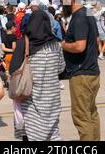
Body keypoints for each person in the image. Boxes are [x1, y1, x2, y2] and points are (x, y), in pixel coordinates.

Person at [14, 9, 66, 141]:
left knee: (33, 133)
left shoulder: (26, 44)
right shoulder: (57, 45)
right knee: (53, 133)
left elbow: (13, 68)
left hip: (32, 99)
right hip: (52, 100)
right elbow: (61, 68)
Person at [62, 0, 101, 141]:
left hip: (81, 75)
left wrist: (63, 45)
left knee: (81, 116)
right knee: (91, 113)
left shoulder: (78, 17)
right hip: (92, 72)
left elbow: (79, 46)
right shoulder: (89, 14)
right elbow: (97, 41)